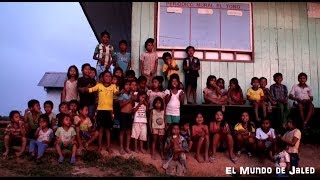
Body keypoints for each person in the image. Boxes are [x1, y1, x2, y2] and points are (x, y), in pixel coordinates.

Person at [79, 71, 119, 154]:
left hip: (109, 111)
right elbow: (90, 89)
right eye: (106, 76)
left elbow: (117, 92)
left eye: (109, 76)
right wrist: (84, 88)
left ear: (111, 78)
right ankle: (99, 146)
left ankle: (108, 147)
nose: (108, 78)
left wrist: (120, 91)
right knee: (100, 130)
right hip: (100, 111)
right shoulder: (99, 85)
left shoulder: (113, 86)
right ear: (102, 78)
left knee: (108, 130)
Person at [118, 79, 134, 154]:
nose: (128, 86)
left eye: (129, 84)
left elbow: (133, 102)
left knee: (128, 131)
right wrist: (129, 101)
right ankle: (121, 147)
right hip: (123, 114)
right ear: (123, 86)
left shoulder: (131, 94)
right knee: (122, 131)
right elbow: (120, 105)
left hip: (129, 114)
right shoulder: (121, 94)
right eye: (126, 84)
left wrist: (132, 98)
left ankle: (127, 147)